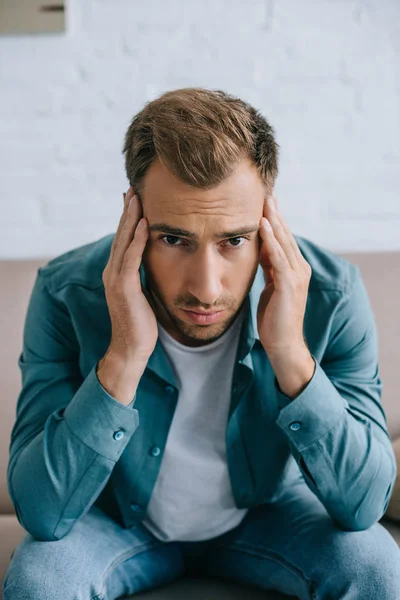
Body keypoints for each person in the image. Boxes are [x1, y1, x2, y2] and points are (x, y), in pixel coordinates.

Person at [3, 87, 400, 599]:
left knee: (376, 568)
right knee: (41, 579)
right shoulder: (66, 293)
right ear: (134, 217)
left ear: (267, 218)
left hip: (270, 515)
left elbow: (365, 505)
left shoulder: (330, 294)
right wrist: (124, 356)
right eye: (174, 239)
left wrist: (290, 356)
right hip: (115, 521)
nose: (206, 288)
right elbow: (43, 513)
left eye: (233, 240)